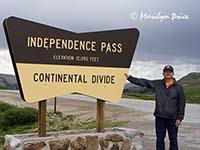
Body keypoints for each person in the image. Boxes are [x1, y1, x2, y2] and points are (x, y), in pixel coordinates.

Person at [124, 65, 186, 150]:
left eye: (170, 71)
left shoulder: (178, 87)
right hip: (160, 117)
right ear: (163, 73)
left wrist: (180, 118)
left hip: (173, 119)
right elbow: (144, 82)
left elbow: (181, 103)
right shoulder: (158, 84)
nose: (168, 73)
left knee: (173, 140)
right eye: (166, 71)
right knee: (160, 140)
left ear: (173, 74)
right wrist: (130, 78)